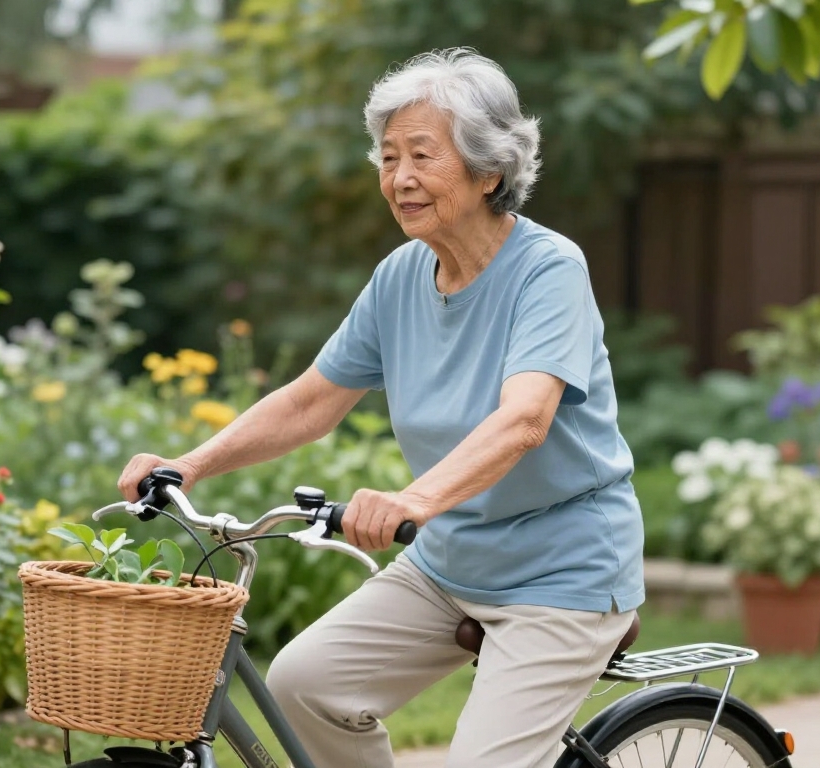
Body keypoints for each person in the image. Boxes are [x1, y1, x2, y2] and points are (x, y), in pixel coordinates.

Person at [118, 47, 644, 768]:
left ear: (490, 170)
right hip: (449, 564)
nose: (399, 178)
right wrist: (191, 464)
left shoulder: (549, 270)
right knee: (304, 687)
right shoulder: (400, 277)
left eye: (422, 155)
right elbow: (310, 402)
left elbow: (525, 420)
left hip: (563, 574)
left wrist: (414, 499)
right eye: (389, 156)